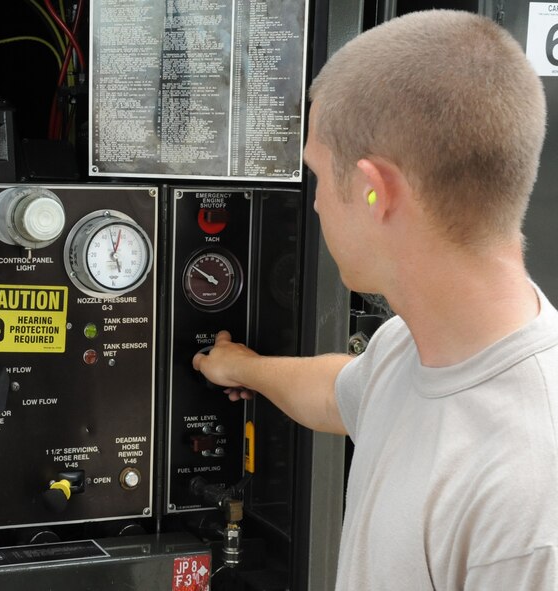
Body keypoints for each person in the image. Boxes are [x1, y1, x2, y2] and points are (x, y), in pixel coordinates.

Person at [193, 9, 558, 590]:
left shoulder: (529, 496)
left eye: (316, 175)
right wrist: (244, 368)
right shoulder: (408, 349)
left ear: (373, 190)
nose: (313, 205)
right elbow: (343, 391)